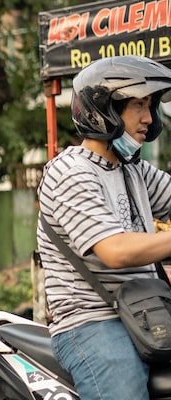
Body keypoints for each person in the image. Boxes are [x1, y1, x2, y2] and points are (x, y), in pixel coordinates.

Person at [37, 55, 171, 400]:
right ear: (104, 110)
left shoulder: (134, 170)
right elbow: (116, 251)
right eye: (138, 105)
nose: (148, 118)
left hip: (147, 309)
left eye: (151, 106)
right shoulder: (71, 172)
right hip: (93, 321)